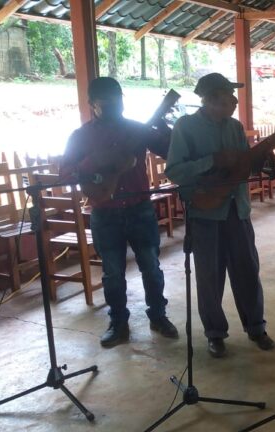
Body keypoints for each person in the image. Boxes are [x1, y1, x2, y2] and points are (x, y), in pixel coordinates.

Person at [60, 77, 178, 347]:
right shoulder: (81, 136)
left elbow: (170, 150)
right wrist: (95, 161)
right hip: (105, 213)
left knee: (151, 267)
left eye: (118, 102)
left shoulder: (137, 129)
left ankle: (158, 316)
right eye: (107, 105)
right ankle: (118, 323)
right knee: (112, 273)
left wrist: (165, 128)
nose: (115, 108)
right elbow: (65, 174)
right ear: (92, 105)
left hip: (140, 209)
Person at [165, 72, 275, 358]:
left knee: (248, 271)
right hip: (205, 213)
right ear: (212, 100)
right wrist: (211, 161)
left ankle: (256, 327)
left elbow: (243, 166)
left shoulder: (235, 127)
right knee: (209, 278)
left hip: (237, 211)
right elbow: (174, 171)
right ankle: (215, 334)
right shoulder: (186, 127)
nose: (235, 101)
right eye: (229, 96)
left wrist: (262, 158)